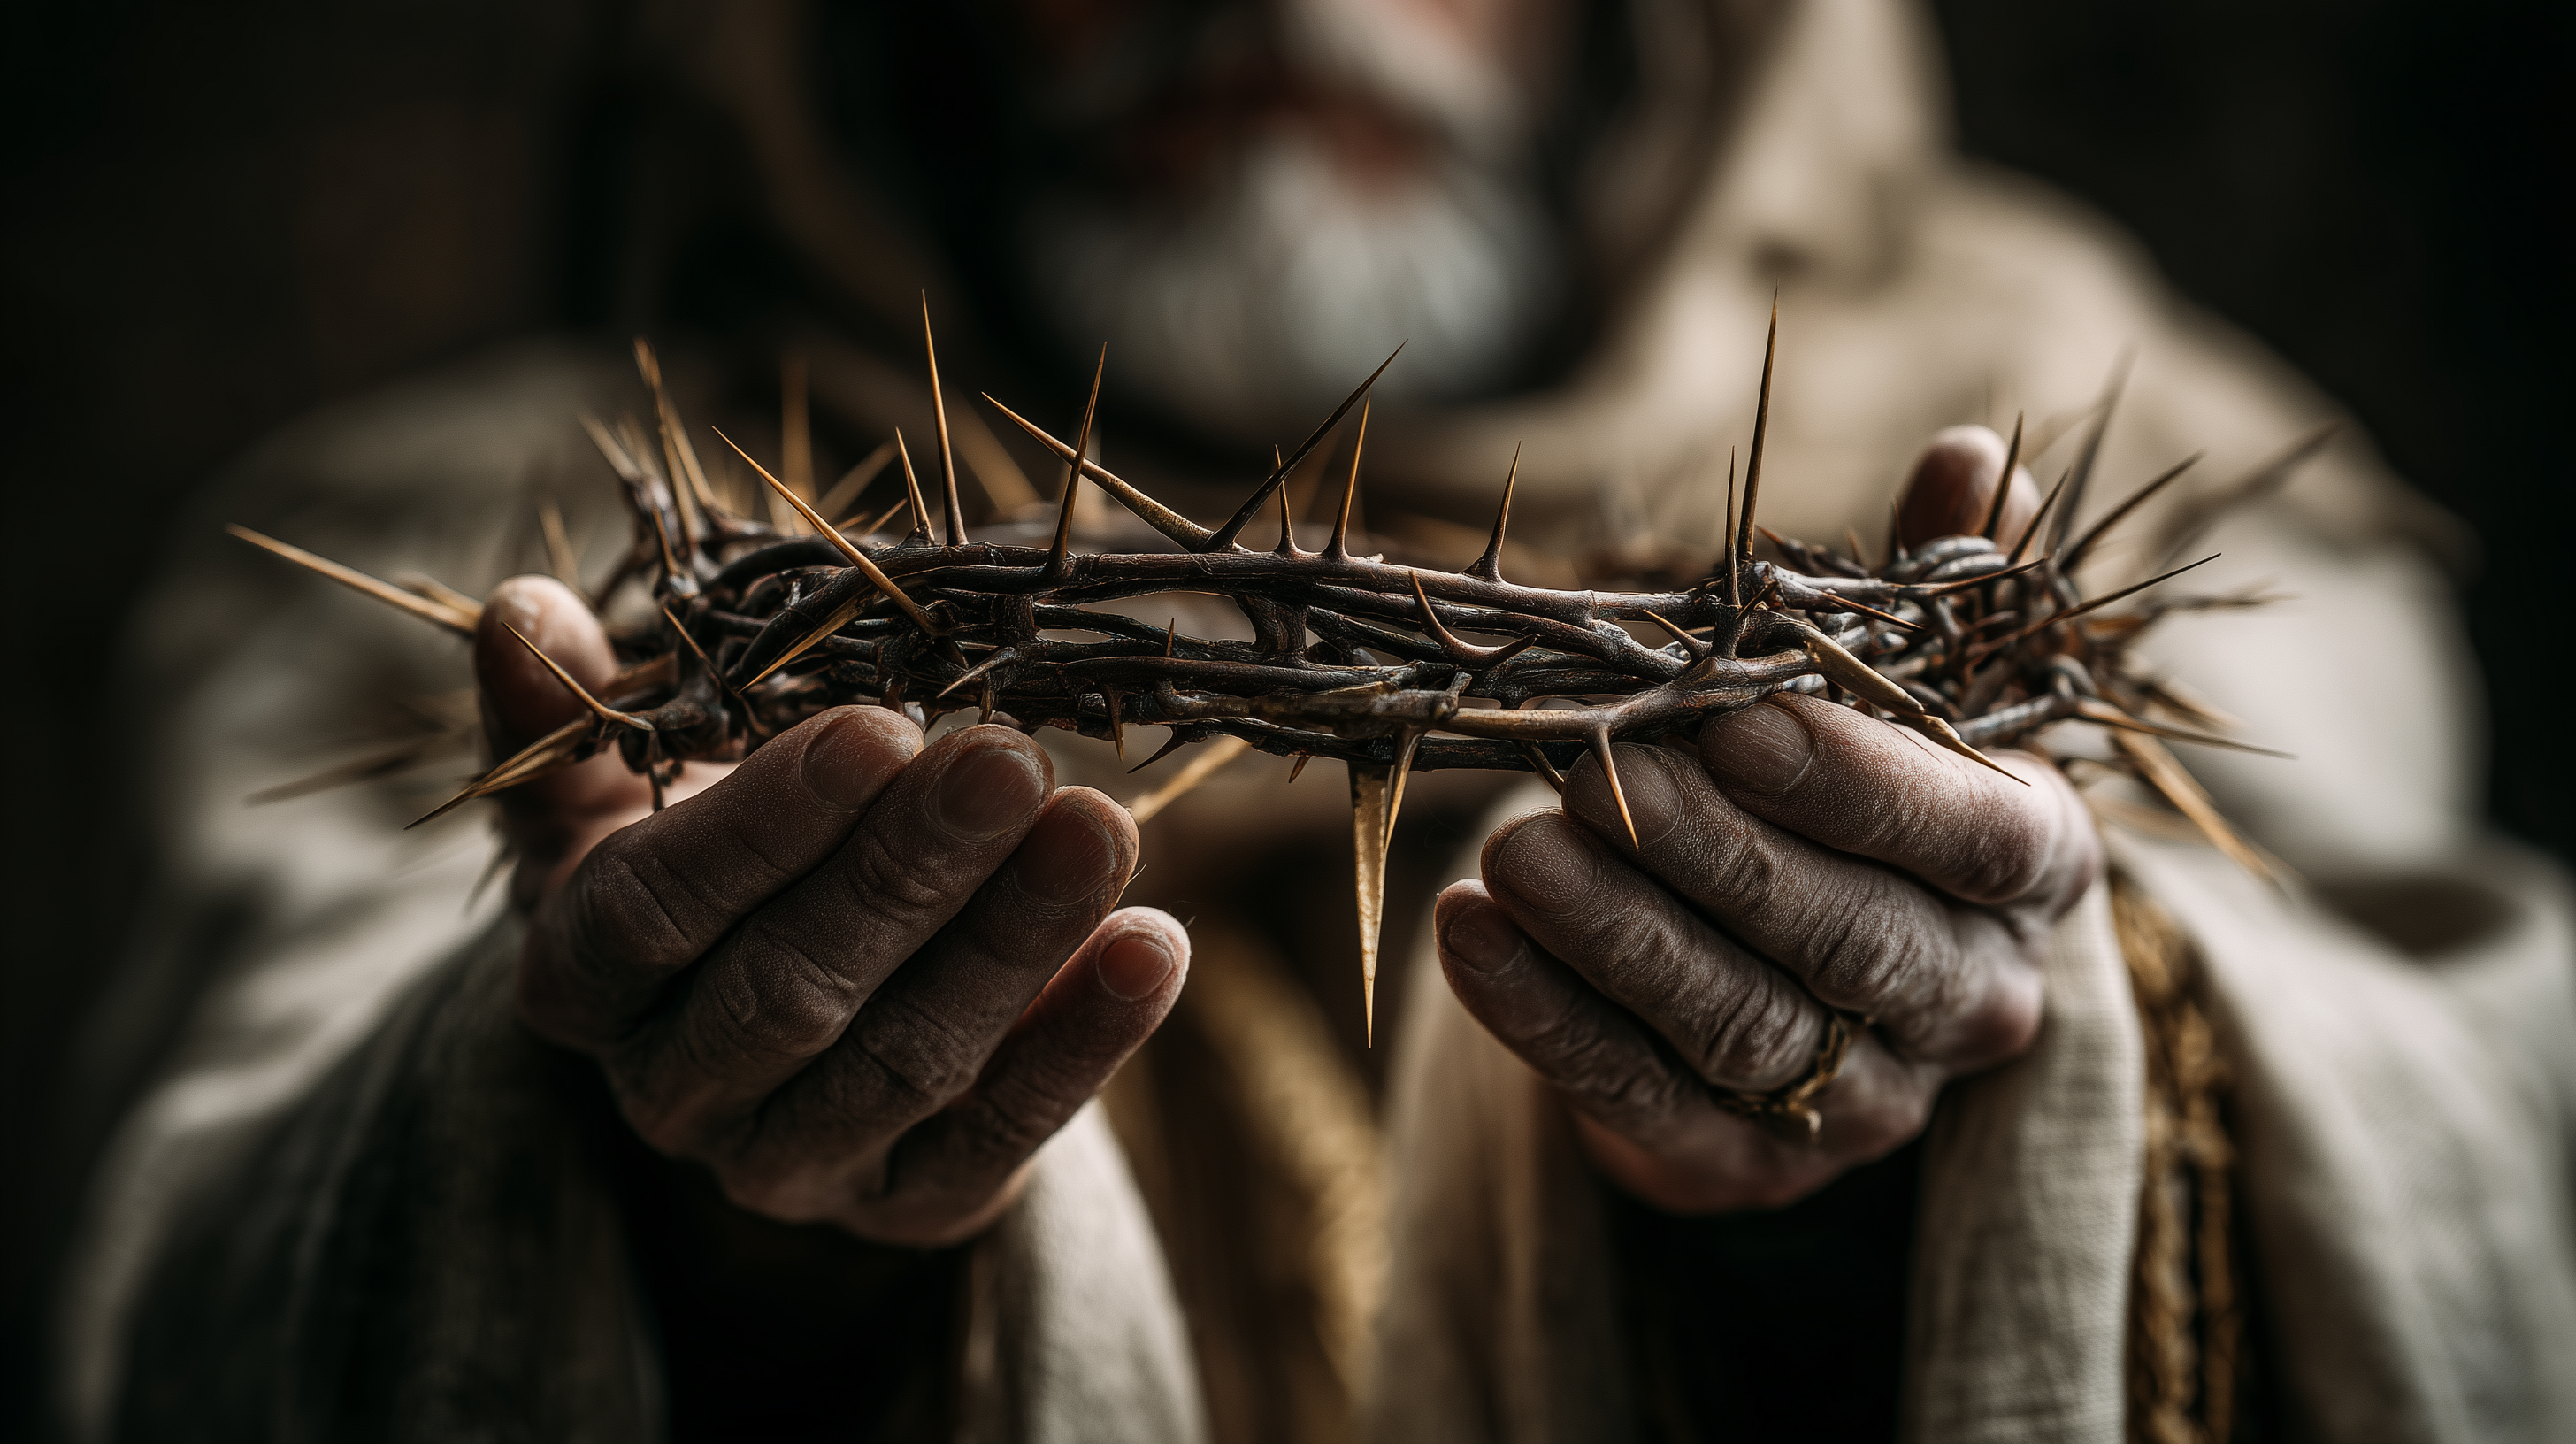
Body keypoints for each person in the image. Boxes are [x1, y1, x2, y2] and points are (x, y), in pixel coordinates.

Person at [58, 0, 2576, 1440]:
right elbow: (213, 1247)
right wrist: (693, 1225)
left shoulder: (2087, 429)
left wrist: (1974, 1113)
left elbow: (2464, 1123)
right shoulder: (503, 523)